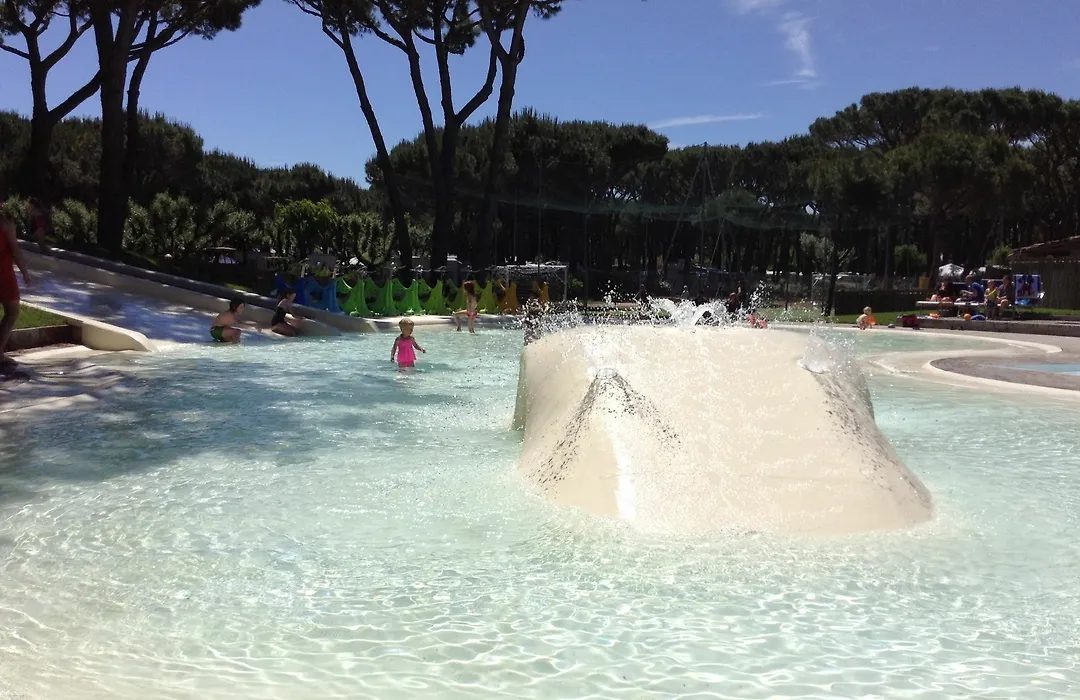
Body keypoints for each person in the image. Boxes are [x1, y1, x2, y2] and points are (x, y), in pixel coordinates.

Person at [0, 212, 32, 370]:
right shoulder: (5, 223)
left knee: (12, 311)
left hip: (4, 274)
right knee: (12, 311)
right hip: (3, 275)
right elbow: (14, 249)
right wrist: (24, 272)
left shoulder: (5, 223)